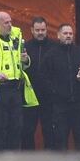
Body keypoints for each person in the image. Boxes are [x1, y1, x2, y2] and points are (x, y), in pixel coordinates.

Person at [0, 11, 38, 151]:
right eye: (6, 22)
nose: (10, 25)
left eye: (10, 21)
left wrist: (26, 60)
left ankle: (14, 157)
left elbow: (22, 62)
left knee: (17, 126)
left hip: (16, 89)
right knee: (1, 127)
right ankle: (0, 159)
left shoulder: (16, 36)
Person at [43, 23, 80, 151]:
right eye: (65, 33)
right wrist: (54, 93)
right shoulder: (51, 55)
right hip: (60, 106)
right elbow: (44, 78)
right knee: (60, 141)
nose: (68, 36)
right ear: (58, 35)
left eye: (70, 34)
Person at [22, 16, 57, 150]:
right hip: (29, 95)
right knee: (27, 130)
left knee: (49, 130)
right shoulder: (25, 47)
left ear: (46, 29)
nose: (40, 32)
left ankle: (50, 158)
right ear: (32, 30)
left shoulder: (55, 47)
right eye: (37, 30)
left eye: (43, 29)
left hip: (49, 97)